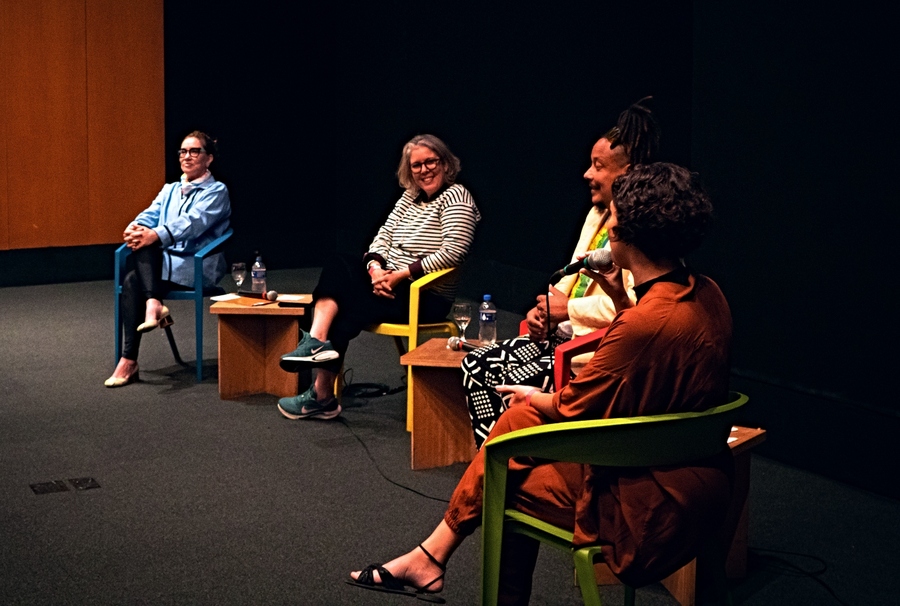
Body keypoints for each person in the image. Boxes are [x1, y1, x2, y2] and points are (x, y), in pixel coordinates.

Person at [348, 162, 732, 604]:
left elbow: (573, 409)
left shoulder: (645, 325)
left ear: (627, 238)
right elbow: (648, 362)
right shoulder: (707, 294)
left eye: (615, 223)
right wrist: (621, 299)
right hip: (702, 486)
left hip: (643, 505)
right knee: (519, 428)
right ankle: (430, 558)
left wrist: (537, 397)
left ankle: (431, 557)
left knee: (509, 458)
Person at [463, 98, 659, 448]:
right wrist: (544, 311)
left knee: (499, 377)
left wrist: (566, 311)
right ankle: (497, 462)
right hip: (563, 333)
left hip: (589, 348)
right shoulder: (596, 215)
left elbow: (632, 307)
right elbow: (570, 279)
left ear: (626, 174)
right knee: (476, 365)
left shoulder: (638, 231)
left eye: (598, 166)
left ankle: (517, 464)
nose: (587, 174)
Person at [277, 134, 481, 420]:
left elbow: (453, 252)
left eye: (430, 162)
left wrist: (400, 275)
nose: (424, 170)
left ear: (445, 163)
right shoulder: (409, 198)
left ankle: (320, 391)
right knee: (340, 267)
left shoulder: (457, 196)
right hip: (389, 282)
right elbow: (381, 238)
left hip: (425, 295)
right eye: (416, 165)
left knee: (343, 302)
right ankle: (318, 344)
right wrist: (375, 270)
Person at [105, 131, 231, 387]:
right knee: (134, 270)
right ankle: (135, 345)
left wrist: (153, 234)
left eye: (194, 152)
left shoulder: (217, 191)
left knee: (141, 260)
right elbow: (150, 214)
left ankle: (129, 358)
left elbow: (193, 223)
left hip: (195, 266)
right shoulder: (171, 189)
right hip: (160, 268)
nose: (187, 157)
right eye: (183, 152)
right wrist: (135, 227)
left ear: (209, 159)